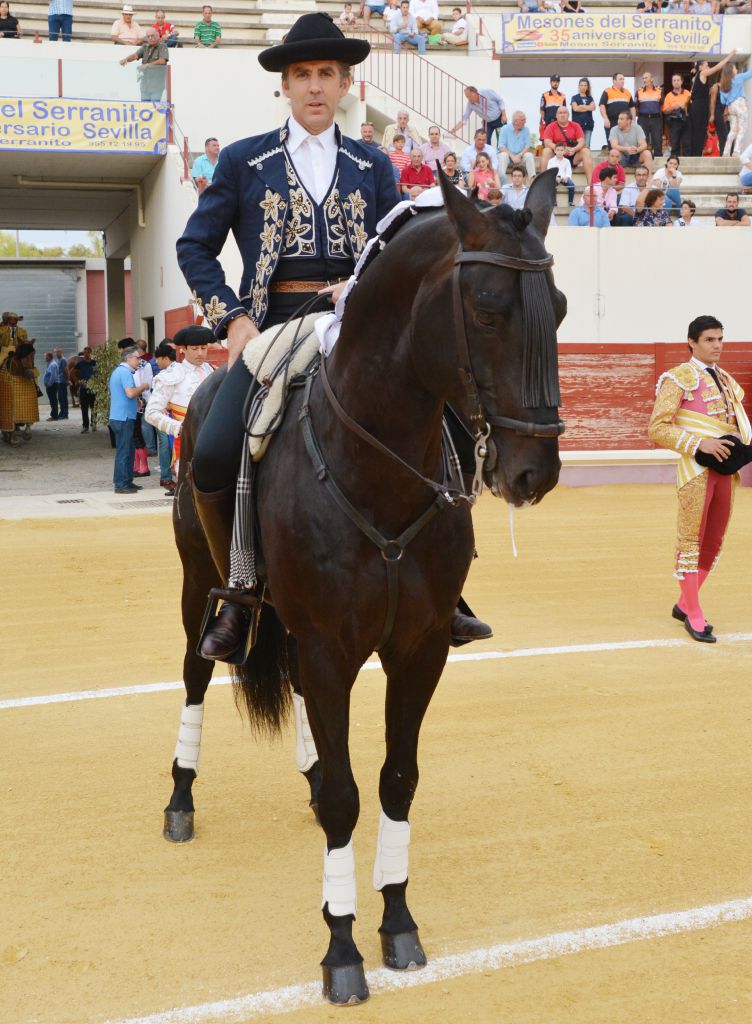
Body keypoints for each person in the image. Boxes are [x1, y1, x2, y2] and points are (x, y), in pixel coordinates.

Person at [177, 12, 489, 659]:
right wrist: (233, 316)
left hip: (358, 330)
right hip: (273, 329)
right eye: (302, 74)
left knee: (454, 429)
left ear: (345, 82)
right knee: (211, 451)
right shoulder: (242, 161)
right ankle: (239, 590)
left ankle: (446, 581)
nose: (315, 86)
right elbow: (195, 246)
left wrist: (369, 285)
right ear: (284, 87)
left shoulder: (372, 163)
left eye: (326, 73)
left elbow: (399, 247)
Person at [648, 315, 752, 643]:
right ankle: (693, 613)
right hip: (696, 470)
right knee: (690, 541)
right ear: (692, 342)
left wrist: (733, 435)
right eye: (710, 339)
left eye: (720, 339)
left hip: (725, 470)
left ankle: (684, 602)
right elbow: (657, 428)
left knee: (714, 540)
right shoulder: (678, 378)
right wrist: (700, 443)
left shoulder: (725, 379)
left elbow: (730, 421)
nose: (717, 345)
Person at [144, 326, 215, 490]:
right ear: (183, 350)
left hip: (213, 439)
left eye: (203, 348)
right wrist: (179, 427)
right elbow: (151, 413)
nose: (200, 353)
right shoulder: (172, 375)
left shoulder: (210, 370)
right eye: (194, 349)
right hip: (187, 443)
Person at [109, 344, 149, 493]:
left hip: (121, 416)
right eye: (137, 358)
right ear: (129, 358)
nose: (139, 361)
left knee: (128, 450)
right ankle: (121, 484)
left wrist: (136, 400)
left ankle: (126, 481)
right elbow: (130, 393)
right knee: (124, 451)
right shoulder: (125, 373)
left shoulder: (119, 372)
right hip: (123, 417)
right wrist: (143, 386)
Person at [688, 52, 736, 156]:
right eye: (706, 65)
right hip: (699, 106)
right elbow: (717, 67)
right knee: (698, 132)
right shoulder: (702, 73)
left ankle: (696, 154)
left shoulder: (698, 76)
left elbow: (702, 92)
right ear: (700, 67)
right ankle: (695, 155)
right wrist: (729, 57)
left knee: (699, 132)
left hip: (700, 106)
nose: (708, 66)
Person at [718, 63, 752, 157]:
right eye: (735, 68)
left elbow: (722, 101)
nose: (736, 69)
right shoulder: (738, 77)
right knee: (742, 129)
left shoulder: (723, 84)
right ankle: (736, 151)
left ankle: (726, 152)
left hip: (731, 107)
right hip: (740, 104)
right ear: (732, 71)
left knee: (733, 130)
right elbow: (751, 73)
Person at [540, 105, 593, 181]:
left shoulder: (575, 126)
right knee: (546, 151)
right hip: (557, 155)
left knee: (586, 151)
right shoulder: (550, 127)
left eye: (565, 113)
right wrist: (561, 149)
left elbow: (581, 141)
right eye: (560, 113)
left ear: (568, 115)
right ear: (556, 115)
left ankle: (590, 185)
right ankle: (542, 182)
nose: (562, 115)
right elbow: (547, 142)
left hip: (573, 155)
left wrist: (574, 149)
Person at [0, 343, 39, 445]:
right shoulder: (4, 330)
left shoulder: (21, 332)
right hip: (6, 348)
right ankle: (10, 433)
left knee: (32, 383)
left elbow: (30, 367)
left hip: (18, 353)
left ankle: (28, 426)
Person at [118, 26, 168, 102]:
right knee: (144, 110)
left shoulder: (162, 47)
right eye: (148, 36)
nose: (150, 38)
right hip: (145, 86)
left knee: (154, 109)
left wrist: (147, 65)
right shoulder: (145, 47)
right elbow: (135, 55)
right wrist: (126, 59)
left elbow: (162, 61)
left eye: (152, 36)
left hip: (157, 86)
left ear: (157, 36)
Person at [152, 340, 176, 491]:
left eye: (158, 359)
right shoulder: (169, 373)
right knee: (166, 445)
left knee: (167, 446)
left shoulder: (170, 374)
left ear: (165, 358)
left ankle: (168, 477)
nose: (156, 362)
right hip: (166, 414)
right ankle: (166, 477)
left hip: (169, 415)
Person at [497, 110, 536, 181]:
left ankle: (533, 180)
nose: (525, 122)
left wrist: (519, 155)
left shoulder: (526, 130)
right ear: (516, 121)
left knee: (529, 155)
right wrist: (512, 156)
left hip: (520, 156)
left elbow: (528, 147)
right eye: (523, 120)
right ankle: (501, 181)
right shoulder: (504, 129)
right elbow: (501, 147)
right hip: (508, 157)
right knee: (502, 155)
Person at [662, 75, 691, 158]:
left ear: (681, 81)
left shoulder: (687, 93)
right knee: (674, 145)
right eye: (674, 80)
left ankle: (687, 163)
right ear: (672, 82)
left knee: (687, 143)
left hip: (686, 120)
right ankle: (674, 164)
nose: (676, 82)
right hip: (674, 121)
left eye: (678, 80)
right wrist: (673, 107)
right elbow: (665, 111)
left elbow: (692, 106)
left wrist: (684, 106)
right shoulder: (668, 95)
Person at [635, 72, 663, 157]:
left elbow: (662, 105)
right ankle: (643, 160)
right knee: (643, 140)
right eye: (643, 78)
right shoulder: (639, 91)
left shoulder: (659, 90)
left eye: (646, 78)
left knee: (657, 140)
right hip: (643, 118)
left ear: (651, 79)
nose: (644, 80)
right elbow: (636, 106)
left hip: (656, 118)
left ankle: (658, 159)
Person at [570, 77, 595, 150]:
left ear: (587, 87)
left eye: (585, 85)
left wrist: (582, 106)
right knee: (577, 147)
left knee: (586, 147)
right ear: (579, 86)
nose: (583, 87)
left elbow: (593, 108)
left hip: (588, 126)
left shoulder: (590, 98)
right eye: (581, 85)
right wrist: (587, 107)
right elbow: (575, 108)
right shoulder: (574, 97)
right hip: (577, 126)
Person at [546, 142, 575, 206]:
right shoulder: (551, 161)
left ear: (564, 151)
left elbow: (568, 171)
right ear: (555, 151)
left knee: (572, 185)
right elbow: (549, 171)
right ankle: (554, 202)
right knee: (552, 185)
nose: (559, 152)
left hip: (564, 178)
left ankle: (570, 202)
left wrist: (567, 177)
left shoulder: (567, 161)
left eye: (561, 150)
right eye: (558, 150)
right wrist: (555, 177)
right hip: (555, 178)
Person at [43, 353, 60, 420]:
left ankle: (54, 416)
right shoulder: (50, 364)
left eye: (45, 357)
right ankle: (54, 415)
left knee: (53, 401)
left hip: (52, 385)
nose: (44, 358)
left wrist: (49, 384)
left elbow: (53, 376)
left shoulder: (52, 365)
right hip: (52, 385)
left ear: (49, 357)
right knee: (52, 400)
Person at [54, 347, 69, 420]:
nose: (56, 354)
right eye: (55, 352)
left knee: (63, 398)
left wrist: (68, 380)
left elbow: (66, 370)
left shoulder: (63, 360)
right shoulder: (58, 360)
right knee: (60, 398)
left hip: (62, 381)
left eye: (57, 352)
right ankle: (62, 413)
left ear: (60, 352)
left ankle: (65, 414)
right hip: (59, 381)